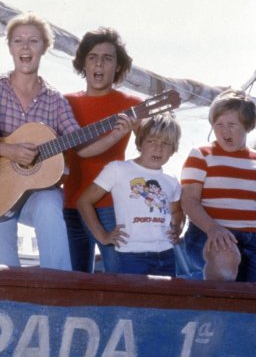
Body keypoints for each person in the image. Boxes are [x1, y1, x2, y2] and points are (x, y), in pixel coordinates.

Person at [0, 13, 134, 270]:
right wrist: (8, 149)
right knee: (4, 274)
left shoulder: (55, 100)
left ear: (44, 48)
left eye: (33, 41)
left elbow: (81, 147)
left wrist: (116, 133)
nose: (25, 47)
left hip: (33, 195)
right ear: (10, 47)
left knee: (50, 202)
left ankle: (58, 282)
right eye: (18, 41)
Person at [63, 28, 142, 273]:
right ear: (83, 64)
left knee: (120, 279)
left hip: (111, 204)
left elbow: (150, 150)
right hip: (69, 204)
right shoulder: (64, 102)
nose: (99, 63)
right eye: (92, 57)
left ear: (117, 67)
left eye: (108, 58)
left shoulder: (132, 104)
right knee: (74, 282)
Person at [77, 113, 184, 276]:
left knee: (163, 302)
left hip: (167, 254)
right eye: (151, 141)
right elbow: (84, 202)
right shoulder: (118, 169)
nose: (158, 148)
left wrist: (178, 228)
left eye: (166, 143)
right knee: (133, 301)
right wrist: (103, 236)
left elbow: (177, 211)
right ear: (139, 143)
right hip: (130, 256)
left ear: (174, 150)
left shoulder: (172, 180)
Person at [181, 89, 256, 282]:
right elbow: (189, 200)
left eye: (232, 124)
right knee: (225, 259)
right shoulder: (201, 155)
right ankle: (213, 311)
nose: (225, 131)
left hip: (255, 238)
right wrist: (213, 228)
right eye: (219, 125)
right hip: (209, 232)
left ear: (248, 126)